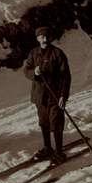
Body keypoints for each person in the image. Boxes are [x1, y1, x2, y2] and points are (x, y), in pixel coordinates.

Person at [23, 26, 71, 164]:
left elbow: (65, 77)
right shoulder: (33, 53)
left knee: (56, 123)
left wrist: (63, 95)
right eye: (41, 37)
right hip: (40, 96)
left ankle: (59, 152)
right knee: (43, 123)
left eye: (46, 36)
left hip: (55, 96)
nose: (44, 39)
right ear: (37, 38)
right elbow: (26, 70)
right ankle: (47, 147)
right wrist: (34, 73)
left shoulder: (57, 53)